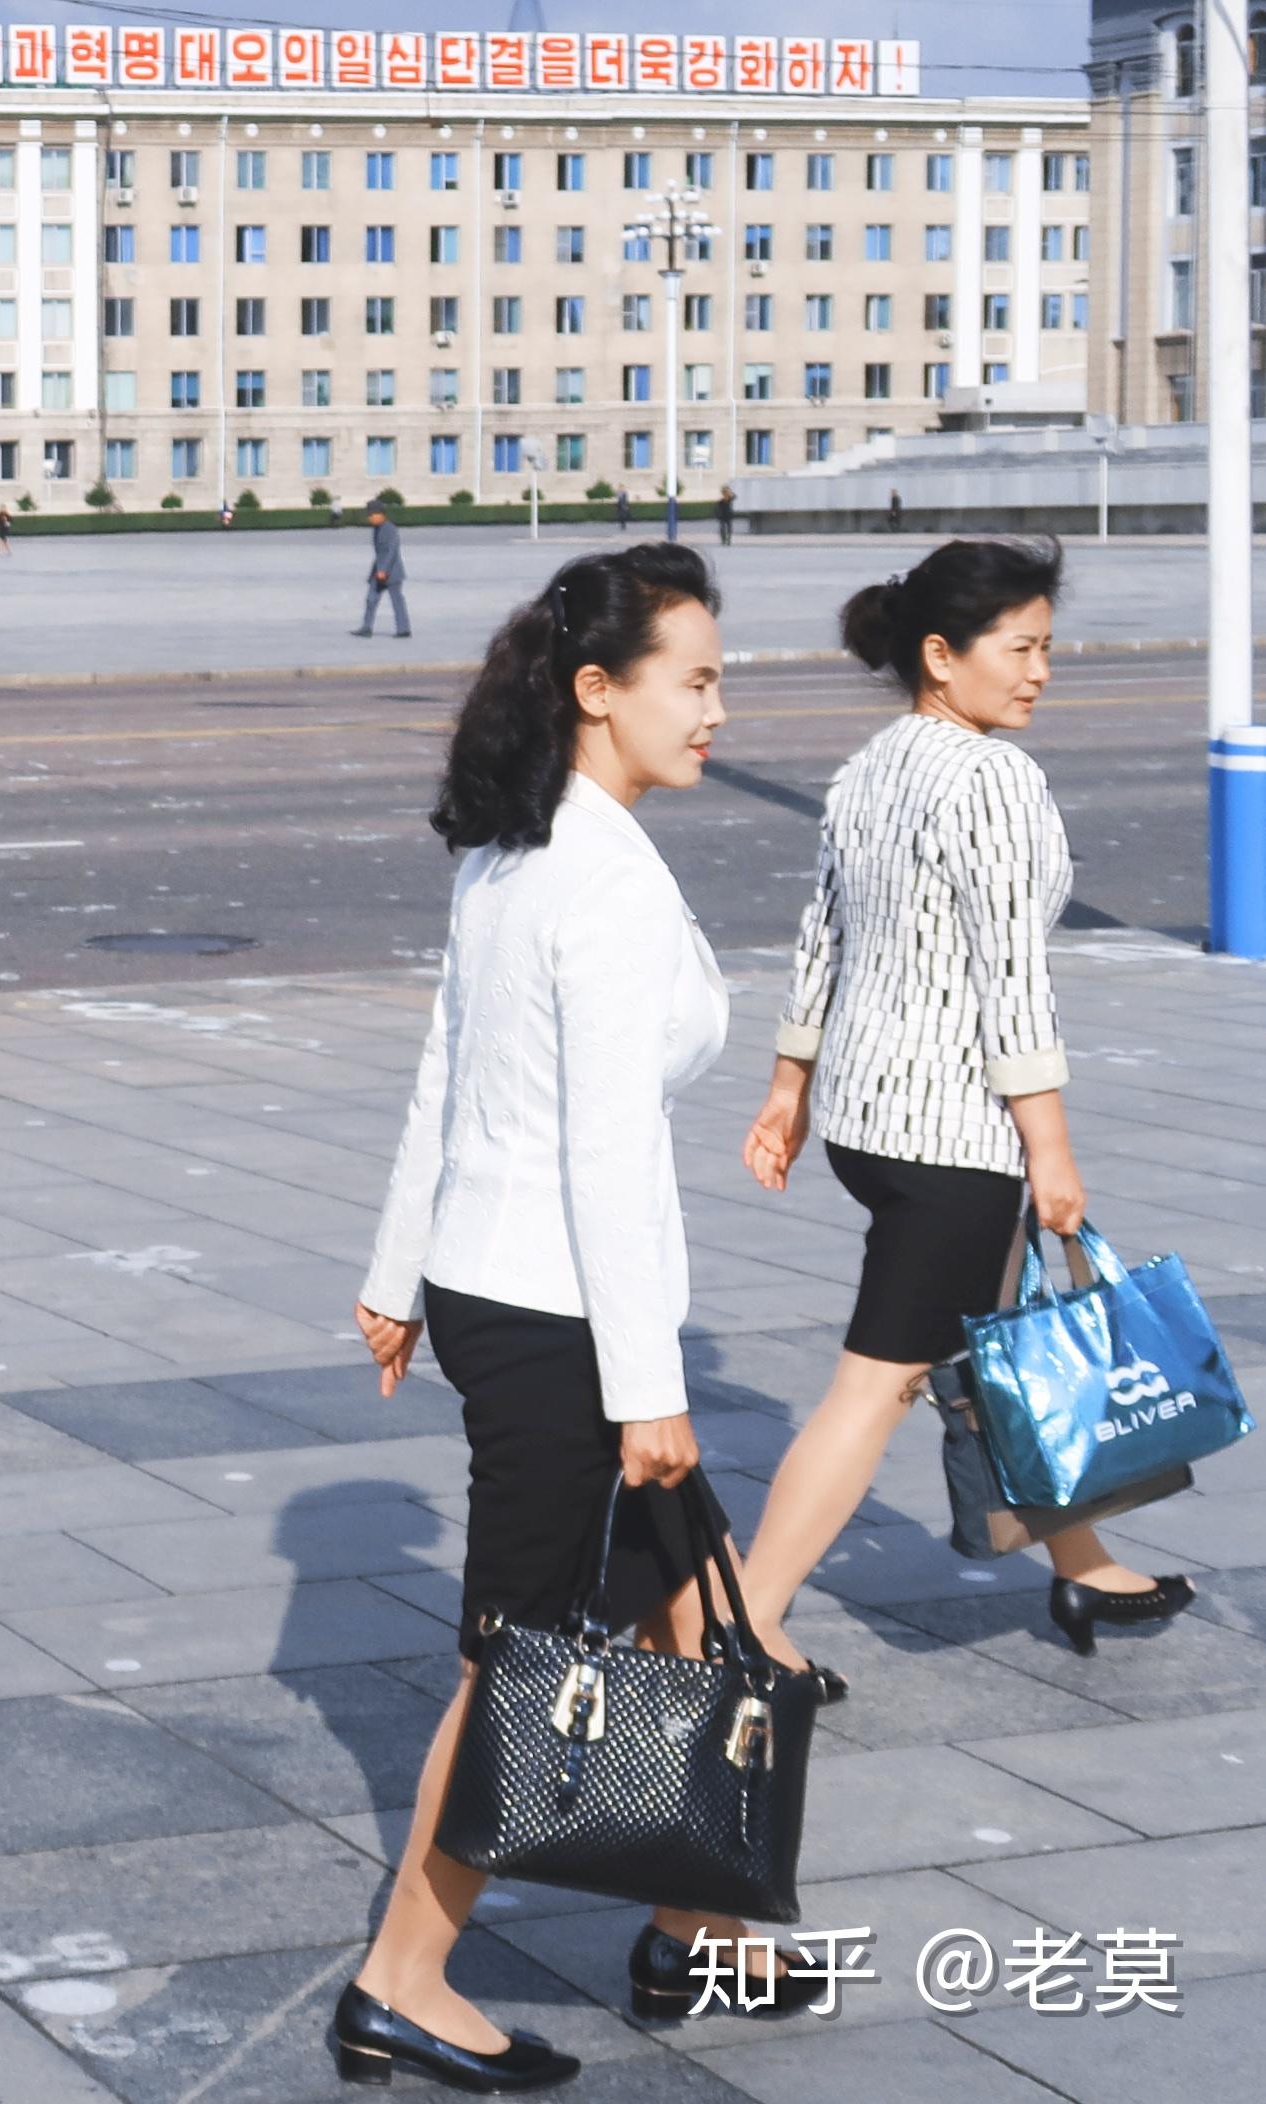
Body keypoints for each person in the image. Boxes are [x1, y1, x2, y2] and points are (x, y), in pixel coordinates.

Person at [336, 543, 827, 2094]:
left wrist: (396, 1271)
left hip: (501, 1286)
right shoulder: (595, 876)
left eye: (719, 677)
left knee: (697, 1614)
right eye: (693, 680)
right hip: (561, 1317)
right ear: (599, 692)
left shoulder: (521, 844)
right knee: (522, 1657)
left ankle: (698, 1924)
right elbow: (603, 1151)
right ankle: (402, 1977)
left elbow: (447, 1076)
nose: (716, 709)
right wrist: (648, 1387)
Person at [740, 538, 1193, 1665]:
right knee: (878, 1384)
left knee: (999, 1349)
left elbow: (821, 936)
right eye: (1022, 648)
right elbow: (1013, 978)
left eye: (1050, 648)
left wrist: (788, 1087)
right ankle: (746, 1618)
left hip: (863, 1117)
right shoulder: (994, 777)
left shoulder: (872, 764)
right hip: (953, 1139)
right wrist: (1052, 1148)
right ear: (942, 656)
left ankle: (1084, 1569)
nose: (1041, 671)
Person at [352, 504, 409, 638]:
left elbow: (391, 551)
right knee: (371, 600)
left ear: (380, 514)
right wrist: (374, 572)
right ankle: (367, 627)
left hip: (392, 573)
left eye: (371, 516)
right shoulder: (377, 529)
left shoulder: (390, 529)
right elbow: (379, 554)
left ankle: (403, 629)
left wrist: (383, 570)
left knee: (397, 601)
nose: (369, 519)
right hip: (378, 573)